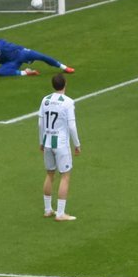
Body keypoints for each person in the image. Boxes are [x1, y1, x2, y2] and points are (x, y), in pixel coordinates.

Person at [39, 73, 80, 222]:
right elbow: (72, 126)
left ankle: (48, 210)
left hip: (47, 141)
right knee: (65, 176)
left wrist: (41, 142)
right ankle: (60, 213)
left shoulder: (45, 100)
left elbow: (40, 123)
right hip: (61, 144)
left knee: (50, 174)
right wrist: (77, 144)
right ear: (65, 83)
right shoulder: (68, 102)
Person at [0, 39, 74, 77]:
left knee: (41, 56)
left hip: (20, 53)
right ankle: (26, 72)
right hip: (12, 62)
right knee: (1, 72)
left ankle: (64, 67)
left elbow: (1, 42)